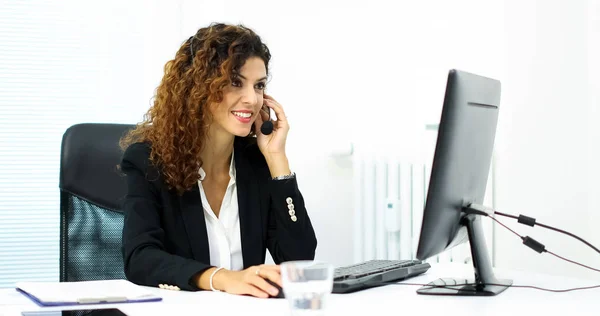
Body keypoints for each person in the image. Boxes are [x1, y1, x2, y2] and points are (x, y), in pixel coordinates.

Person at [118, 23, 317, 298]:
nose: (252, 99)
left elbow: (299, 259)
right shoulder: (149, 160)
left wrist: (276, 159)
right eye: (235, 82)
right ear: (198, 88)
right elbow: (140, 258)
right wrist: (220, 279)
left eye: (259, 86)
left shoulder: (256, 162)